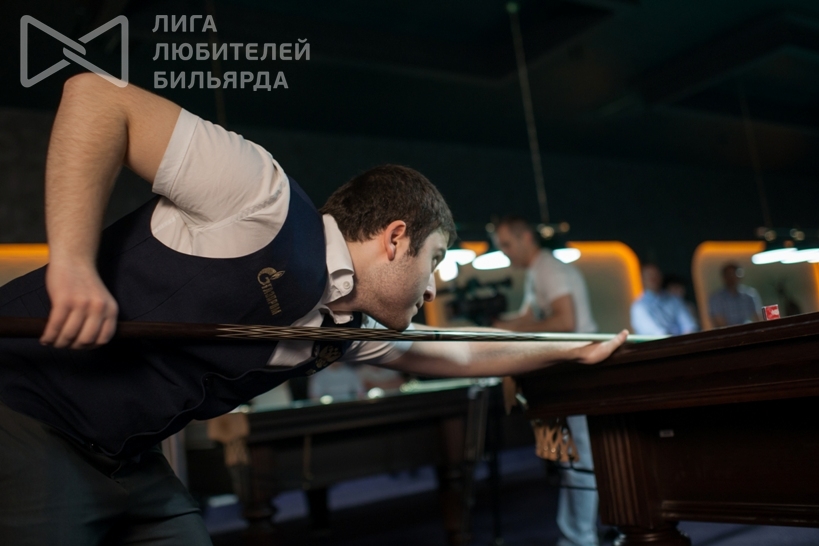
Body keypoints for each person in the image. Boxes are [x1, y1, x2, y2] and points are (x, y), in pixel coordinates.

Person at [0, 74, 628, 545]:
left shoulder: (348, 329)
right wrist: (73, 264)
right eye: (435, 259)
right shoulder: (259, 195)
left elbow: (463, 353)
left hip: (128, 457)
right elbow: (96, 98)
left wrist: (572, 349)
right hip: (27, 410)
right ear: (396, 239)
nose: (434, 288)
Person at [493, 216, 600, 546]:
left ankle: (582, 538)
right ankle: (574, 536)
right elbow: (527, 318)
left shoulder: (549, 269)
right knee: (570, 459)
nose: (504, 252)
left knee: (580, 459)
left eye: (507, 244)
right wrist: (492, 326)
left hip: (579, 371)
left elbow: (565, 321)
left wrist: (504, 330)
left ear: (526, 238)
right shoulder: (536, 271)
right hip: (568, 372)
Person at [630, 263, 698, 336]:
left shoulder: (674, 300)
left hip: (683, 341)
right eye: (649, 275)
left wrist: (686, 338)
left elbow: (689, 325)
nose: (653, 278)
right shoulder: (638, 307)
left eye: (655, 274)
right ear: (642, 279)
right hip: (662, 343)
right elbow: (657, 334)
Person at [708, 262, 762, 327]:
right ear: (724, 277)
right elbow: (719, 322)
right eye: (728, 275)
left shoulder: (750, 294)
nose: (731, 278)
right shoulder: (716, 298)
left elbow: (758, 318)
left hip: (749, 330)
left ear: (740, 275)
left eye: (733, 274)